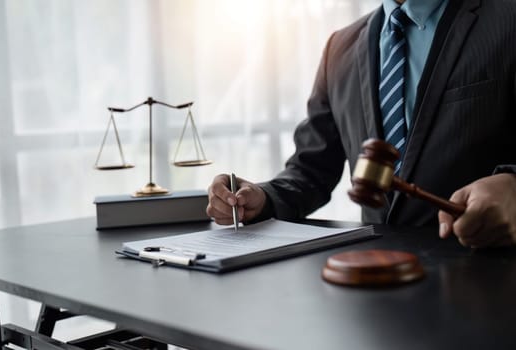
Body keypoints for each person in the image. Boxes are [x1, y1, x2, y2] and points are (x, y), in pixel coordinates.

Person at [207, 0, 516, 248]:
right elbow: (311, 171)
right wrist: (262, 198)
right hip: (379, 292)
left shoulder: (507, 16)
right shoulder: (339, 48)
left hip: (491, 282)